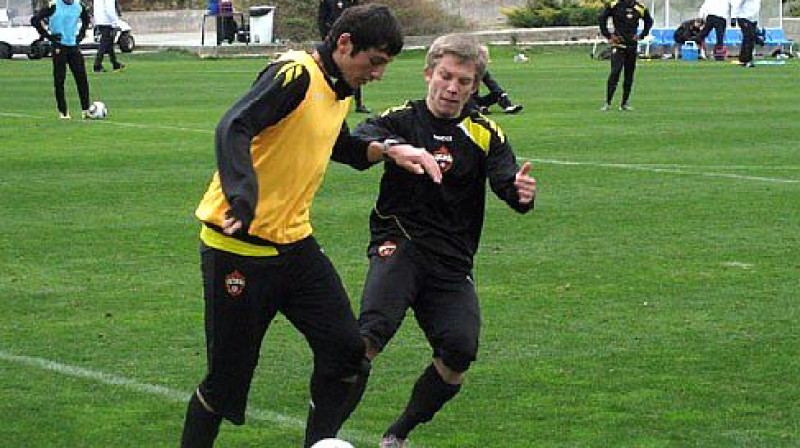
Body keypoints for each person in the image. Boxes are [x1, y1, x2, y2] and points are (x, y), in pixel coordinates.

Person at [180, 5, 442, 448]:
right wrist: (243, 195)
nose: (377, 74)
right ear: (344, 44)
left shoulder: (335, 89)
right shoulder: (295, 74)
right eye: (374, 62)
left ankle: (320, 444)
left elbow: (339, 144)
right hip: (237, 247)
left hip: (295, 247)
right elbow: (234, 126)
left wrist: (392, 151)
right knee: (225, 383)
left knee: (347, 355)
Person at [341, 33, 537, 448]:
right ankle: (322, 433)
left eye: (464, 82)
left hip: (451, 261)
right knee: (370, 335)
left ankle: (398, 434)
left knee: (459, 352)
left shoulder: (486, 133)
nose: (452, 88)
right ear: (429, 73)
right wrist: (394, 149)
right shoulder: (402, 119)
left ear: (475, 86)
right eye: (446, 76)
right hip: (401, 241)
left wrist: (521, 193)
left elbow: (507, 182)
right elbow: (361, 134)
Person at [31, 0, 92, 119]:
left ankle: (86, 109)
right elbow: (35, 20)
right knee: (60, 80)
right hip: (59, 46)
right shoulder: (53, 6)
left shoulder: (78, 5)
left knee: (82, 78)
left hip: (73, 46)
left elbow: (86, 19)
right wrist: (48, 36)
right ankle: (63, 111)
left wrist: (81, 34)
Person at [598, 0, 653, 111]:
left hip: (631, 45)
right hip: (619, 44)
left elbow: (649, 21)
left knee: (629, 74)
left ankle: (624, 103)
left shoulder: (639, 7)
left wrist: (641, 35)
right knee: (615, 72)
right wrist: (609, 36)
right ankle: (608, 102)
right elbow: (602, 18)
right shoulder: (615, 5)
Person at [318, 0, 370, 113]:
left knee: (355, 68)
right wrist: (326, 37)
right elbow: (322, 19)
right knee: (329, 69)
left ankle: (358, 104)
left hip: (350, 39)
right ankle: (327, 101)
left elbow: (358, 16)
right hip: (333, 40)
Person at [92, 0, 125, 72]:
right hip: (107, 21)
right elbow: (109, 10)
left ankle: (115, 63)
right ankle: (97, 65)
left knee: (109, 43)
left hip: (100, 20)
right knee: (104, 43)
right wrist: (115, 23)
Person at [733, 0, 761, 67]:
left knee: (747, 39)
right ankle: (748, 60)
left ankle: (742, 59)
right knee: (749, 38)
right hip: (743, 18)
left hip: (753, 20)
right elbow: (737, 4)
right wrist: (733, 17)